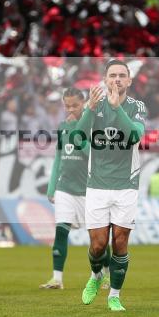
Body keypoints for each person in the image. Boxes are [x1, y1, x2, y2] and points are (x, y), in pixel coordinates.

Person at [76, 59, 147, 312]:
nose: (117, 79)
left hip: (126, 184)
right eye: (112, 75)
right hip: (97, 184)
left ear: (129, 80)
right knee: (97, 246)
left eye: (122, 75)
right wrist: (89, 110)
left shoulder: (137, 107)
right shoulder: (94, 106)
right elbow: (77, 137)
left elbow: (135, 136)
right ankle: (96, 276)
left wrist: (117, 109)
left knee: (119, 243)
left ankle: (114, 296)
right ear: (105, 80)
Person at [41, 88, 109, 290]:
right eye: (67, 105)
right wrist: (52, 188)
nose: (70, 109)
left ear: (84, 103)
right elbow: (59, 158)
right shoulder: (63, 127)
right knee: (61, 231)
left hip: (89, 190)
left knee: (99, 240)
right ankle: (57, 279)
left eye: (75, 105)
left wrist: (80, 138)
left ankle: (102, 274)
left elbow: (97, 157)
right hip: (65, 188)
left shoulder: (94, 124)